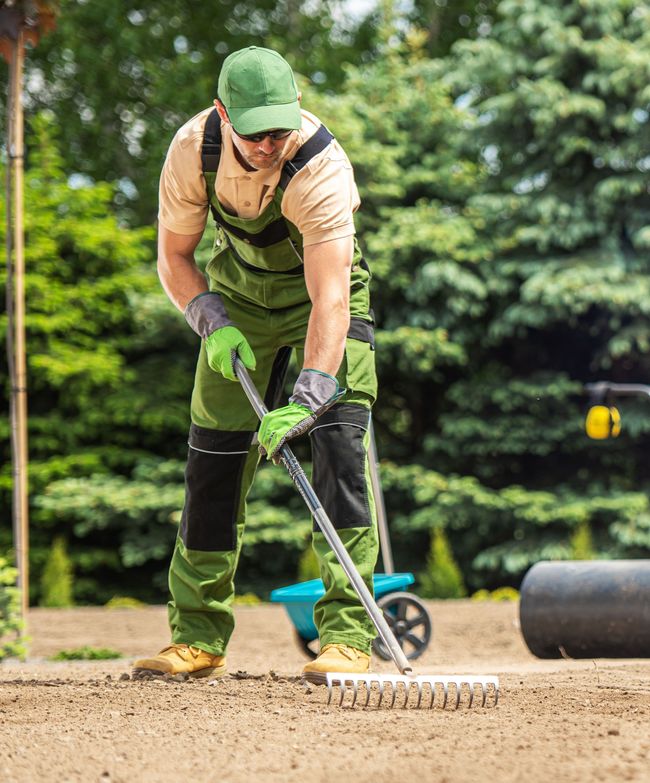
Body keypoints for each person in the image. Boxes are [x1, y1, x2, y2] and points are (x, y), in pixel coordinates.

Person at [133, 46, 378, 683]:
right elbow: (174, 258)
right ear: (223, 114)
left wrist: (311, 393)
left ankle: (347, 638)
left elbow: (330, 297)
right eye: (255, 133)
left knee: (339, 453)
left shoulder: (319, 164)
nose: (269, 145)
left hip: (324, 302)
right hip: (237, 299)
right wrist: (210, 321)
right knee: (212, 463)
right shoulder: (192, 152)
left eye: (279, 130)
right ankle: (198, 637)